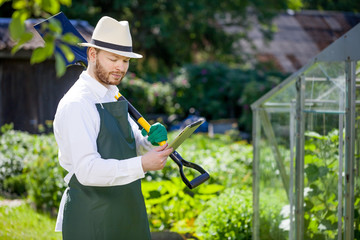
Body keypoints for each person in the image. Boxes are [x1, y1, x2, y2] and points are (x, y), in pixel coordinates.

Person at [53, 16, 173, 240]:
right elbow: (87, 171)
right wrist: (142, 164)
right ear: (92, 54)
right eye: (113, 59)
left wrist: (148, 142)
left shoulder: (113, 95)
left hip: (128, 212)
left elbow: (129, 145)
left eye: (125, 61)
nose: (120, 67)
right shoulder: (77, 104)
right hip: (93, 218)